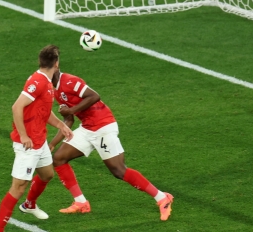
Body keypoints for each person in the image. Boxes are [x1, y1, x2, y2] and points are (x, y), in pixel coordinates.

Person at [49, 70, 174, 221]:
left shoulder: (70, 81)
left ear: (55, 65)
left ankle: (162, 198)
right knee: (59, 158)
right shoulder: (56, 91)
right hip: (87, 128)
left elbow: (94, 96)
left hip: (103, 126)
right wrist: (53, 143)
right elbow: (68, 119)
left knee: (118, 170)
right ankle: (81, 202)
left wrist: (72, 110)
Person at [0, 45, 73, 232]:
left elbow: (43, 112)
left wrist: (61, 125)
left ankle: (29, 205)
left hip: (40, 140)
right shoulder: (38, 82)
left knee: (47, 174)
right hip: (28, 145)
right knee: (18, 187)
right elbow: (16, 107)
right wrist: (23, 135)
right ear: (56, 63)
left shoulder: (46, 81)